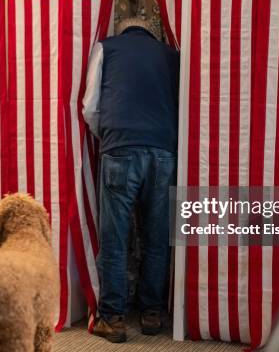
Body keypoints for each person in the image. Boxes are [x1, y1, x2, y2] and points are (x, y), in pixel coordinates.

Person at [82, 17, 179, 343]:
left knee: (115, 237)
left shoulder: (106, 48)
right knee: (156, 235)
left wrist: (109, 135)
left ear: (122, 30)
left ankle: (114, 318)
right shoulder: (170, 54)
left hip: (120, 148)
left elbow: (90, 106)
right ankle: (152, 314)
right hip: (164, 151)